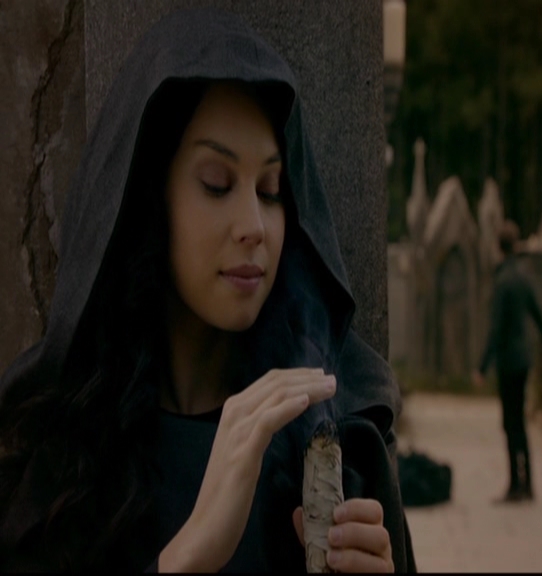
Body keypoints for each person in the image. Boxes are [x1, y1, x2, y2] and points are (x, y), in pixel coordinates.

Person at [0, 8, 416, 573]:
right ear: (150, 199)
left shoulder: (343, 441)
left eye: (270, 189)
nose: (254, 226)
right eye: (216, 184)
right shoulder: (55, 463)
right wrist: (188, 555)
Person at [472, 220, 542, 503]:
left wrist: (482, 367)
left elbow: (496, 329)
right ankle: (527, 481)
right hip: (524, 359)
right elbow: (537, 313)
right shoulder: (523, 277)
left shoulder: (503, 281)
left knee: (510, 424)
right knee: (520, 423)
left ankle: (515, 484)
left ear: (499, 247)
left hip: (508, 361)